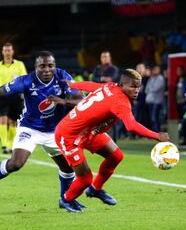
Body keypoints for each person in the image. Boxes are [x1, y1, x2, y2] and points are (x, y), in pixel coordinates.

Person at [0, 51, 85, 210]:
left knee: (68, 168)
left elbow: (80, 99)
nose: (47, 69)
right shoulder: (26, 81)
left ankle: (65, 200)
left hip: (55, 131)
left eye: (50, 66)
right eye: (42, 66)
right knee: (16, 164)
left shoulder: (62, 76)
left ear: (55, 66)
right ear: (36, 67)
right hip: (30, 128)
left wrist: (62, 101)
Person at [52, 69, 169, 213]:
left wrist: (74, 84)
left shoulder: (110, 86)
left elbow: (92, 86)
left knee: (116, 156)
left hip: (90, 132)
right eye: (132, 86)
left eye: (139, 87)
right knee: (85, 178)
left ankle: (95, 189)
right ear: (122, 85)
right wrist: (157, 136)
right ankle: (66, 199)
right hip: (69, 135)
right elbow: (131, 126)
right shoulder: (120, 101)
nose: (137, 90)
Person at [0, 42, 27, 153]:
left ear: (13, 52)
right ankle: (4, 144)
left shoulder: (19, 65)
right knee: (3, 120)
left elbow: (24, 80)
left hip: (15, 95)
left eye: (9, 50)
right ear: (2, 52)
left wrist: (24, 94)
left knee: (13, 122)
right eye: (5, 50)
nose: (7, 53)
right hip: (2, 95)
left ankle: (10, 145)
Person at [92, 50, 121, 142]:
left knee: (112, 119)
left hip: (111, 96)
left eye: (106, 57)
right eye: (103, 57)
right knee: (99, 118)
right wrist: (103, 78)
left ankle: (114, 140)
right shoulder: (97, 68)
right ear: (101, 58)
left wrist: (102, 79)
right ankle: (100, 139)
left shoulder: (114, 69)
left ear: (110, 58)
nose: (105, 58)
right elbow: (93, 78)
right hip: (99, 96)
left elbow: (113, 79)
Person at [145, 65, 165, 132]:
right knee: (151, 118)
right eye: (154, 70)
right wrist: (150, 89)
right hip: (150, 101)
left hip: (157, 101)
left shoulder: (160, 78)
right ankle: (154, 132)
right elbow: (146, 89)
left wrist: (150, 89)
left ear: (159, 71)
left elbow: (155, 88)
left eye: (156, 70)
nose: (154, 71)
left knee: (155, 118)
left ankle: (158, 132)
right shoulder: (151, 78)